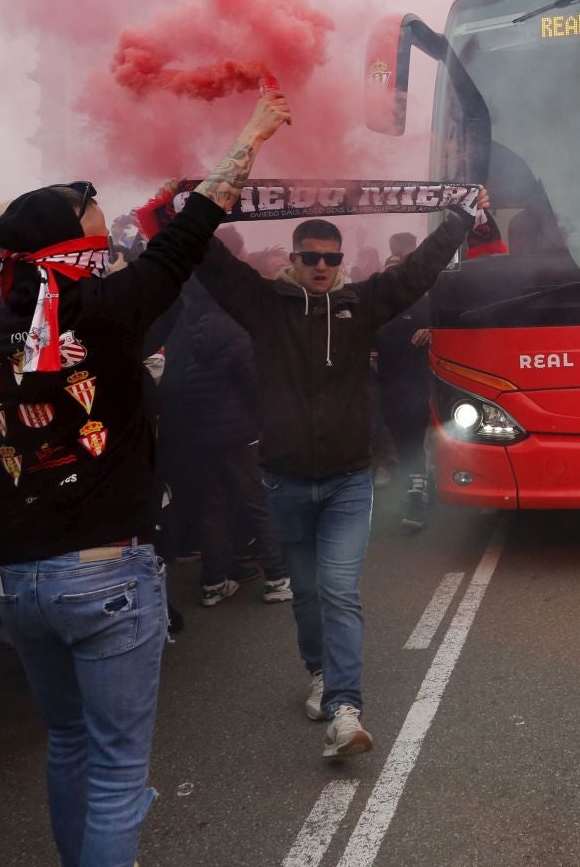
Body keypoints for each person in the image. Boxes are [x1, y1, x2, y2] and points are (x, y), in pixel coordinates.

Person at [0, 88, 288, 867]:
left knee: (69, 744)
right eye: (91, 213)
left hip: (21, 582)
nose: (102, 218)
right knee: (116, 774)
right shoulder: (104, 312)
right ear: (69, 244)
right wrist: (253, 133)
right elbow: (195, 225)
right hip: (105, 571)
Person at [193, 203, 474, 758]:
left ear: (341, 261)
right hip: (285, 481)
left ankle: (346, 710)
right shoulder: (264, 306)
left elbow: (416, 271)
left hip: (348, 480)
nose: (322, 267)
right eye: (311, 258)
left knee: (340, 592)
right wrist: (187, 211)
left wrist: (459, 222)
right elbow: (212, 265)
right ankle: (319, 672)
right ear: (293, 260)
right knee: (307, 594)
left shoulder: (360, 304)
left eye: (331, 258)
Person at [157, 281, 291, 607]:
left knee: (212, 508)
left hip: (202, 435)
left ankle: (213, 584)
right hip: (242, 435)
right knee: (260, 503)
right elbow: (255, 386)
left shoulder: (188, 335)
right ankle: (277, 578)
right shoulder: (236, 331)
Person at [375, 233, 437, 531]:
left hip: (418, 386)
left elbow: (450, 331)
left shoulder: (423, 306)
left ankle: (416, 501)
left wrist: (432, 332)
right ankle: (419, 486)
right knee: (403, 445)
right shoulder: (376, 312)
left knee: (413, 443)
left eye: (395, 273)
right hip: (388, 388)